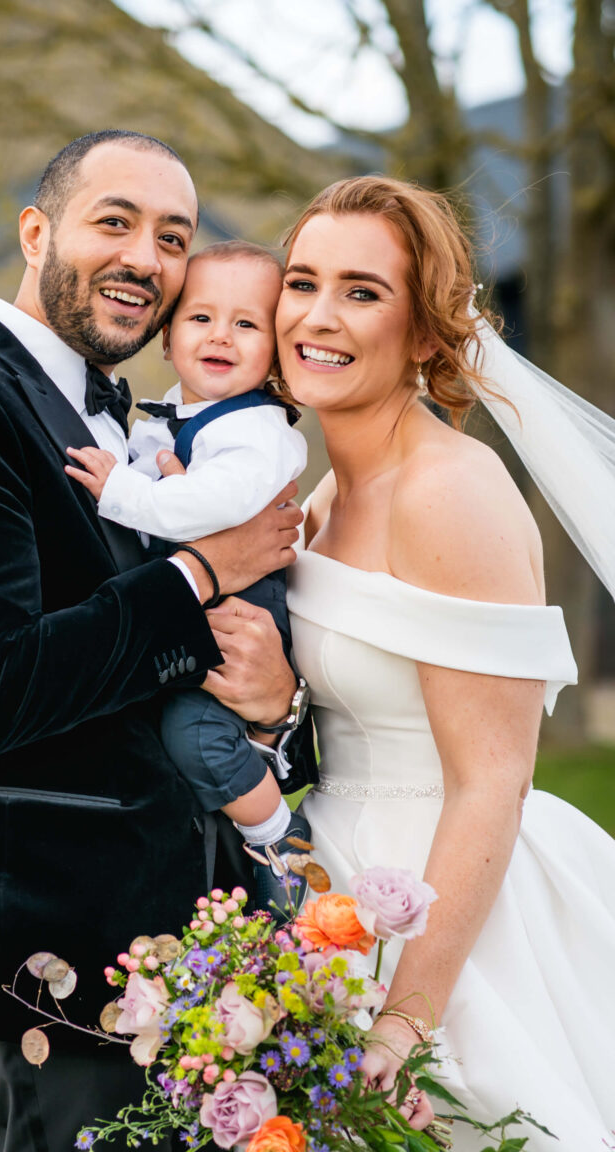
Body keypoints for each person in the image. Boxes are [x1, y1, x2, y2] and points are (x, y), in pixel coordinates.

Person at [0, 130, 316, 1152]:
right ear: (35, 232)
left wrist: (277, 699)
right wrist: (199, 572)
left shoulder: (161, 433)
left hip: (195, 961)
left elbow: (178, 680)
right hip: (46, 955)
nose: (146, 257)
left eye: (173, 236)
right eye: (115, 221)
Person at [276, 175, 615, 1149]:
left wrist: (403, 1020)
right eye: (302, 282)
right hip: (331, 888)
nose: (317, 317)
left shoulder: (449, 494)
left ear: (428, 333)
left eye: (362, 291)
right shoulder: (326, 491)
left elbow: (493, 779)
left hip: (447, 909)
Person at [64, 240, 313, 919]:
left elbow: (211, 507)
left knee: (194, 735)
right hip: (189, 612)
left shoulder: (257, 432)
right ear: (167, 336)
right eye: (201, 318)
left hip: (236, 614)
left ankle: (281, 842)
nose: (221, 337)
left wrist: (125, 493)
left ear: (276, 350)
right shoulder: (178, 414)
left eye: (247, 323)